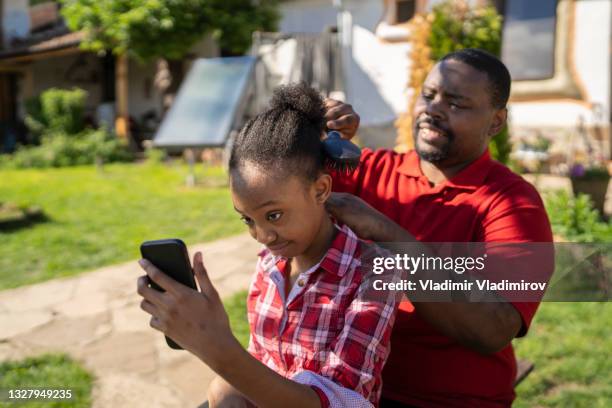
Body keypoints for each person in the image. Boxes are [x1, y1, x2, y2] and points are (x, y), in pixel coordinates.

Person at [137, 83, 400, 408]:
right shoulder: (268, 264)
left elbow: (342, 403)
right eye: (247, 220)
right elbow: (264, 364)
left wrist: (217, 348)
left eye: (274, 215)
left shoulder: (372, 274)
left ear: (320, 190)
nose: (263, 236)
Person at [322, 48, 554, 407]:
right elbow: (271, 205)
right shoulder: (369, 170)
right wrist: (316, 141)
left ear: (495, 122)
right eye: (428, 96)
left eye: (456, 104)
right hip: (344, 387)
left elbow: (493, 327)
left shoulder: (513, 204)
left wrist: (389, 235)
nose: (433, 109)